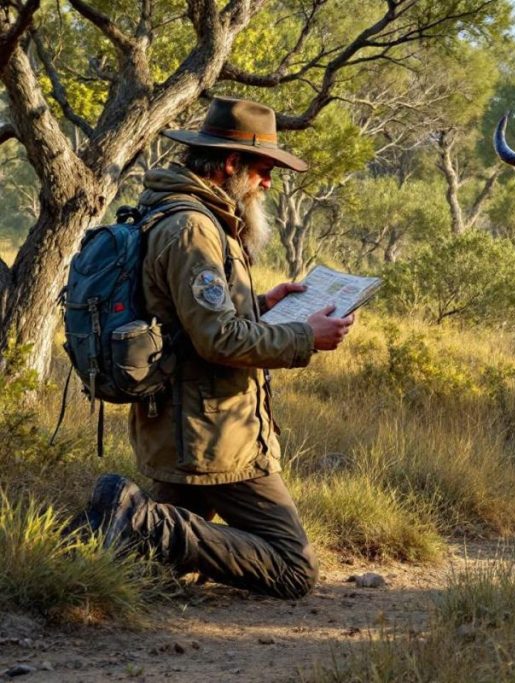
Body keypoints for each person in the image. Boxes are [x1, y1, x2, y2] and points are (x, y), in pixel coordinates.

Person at [81, 96, 353, 599]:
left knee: (145, 570)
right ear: (231, 164)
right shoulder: (193, 228)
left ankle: (118, 527)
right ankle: (138, 521)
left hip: (182, 424)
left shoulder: (179, 214)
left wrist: (265, 305)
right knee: (293, 569)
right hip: (208, 433)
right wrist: (304, 337)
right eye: (264, 169)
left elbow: (190, 318)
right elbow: (216, 338)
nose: (268, 183)